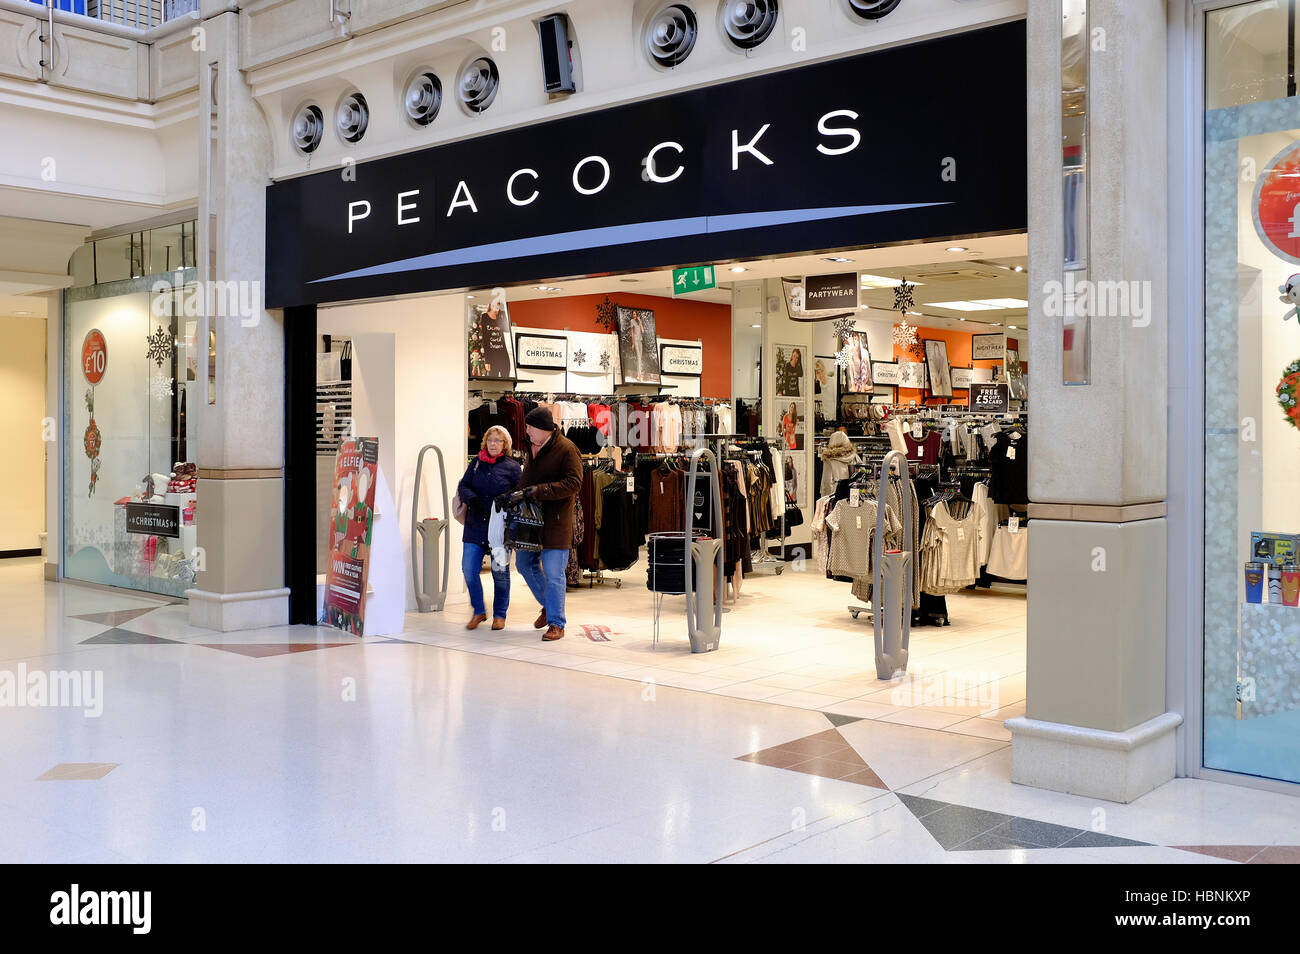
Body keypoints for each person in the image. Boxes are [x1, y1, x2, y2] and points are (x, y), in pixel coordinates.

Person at [515, 407, 583, 641]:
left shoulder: (567, 449)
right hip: (531, 521)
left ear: (543, 429)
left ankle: (556, 623)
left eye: (529, 426)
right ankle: (549, 605)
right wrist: (515, 496)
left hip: (556, 521)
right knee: (523, 564)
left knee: (555, 574)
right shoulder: (531, 448)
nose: (526, 430)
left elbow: (574, 483)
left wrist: (541, 491)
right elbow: (526, 481)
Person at [456, 425, 521, 630]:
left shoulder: (512, 467)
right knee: (468, 568)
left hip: (500, 529)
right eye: (490, 440)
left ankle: (500, 614)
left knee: (500, 572)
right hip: (475, 526)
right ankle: (478, 610)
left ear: (505, 445)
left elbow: (520, 494)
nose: (493, 444)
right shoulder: (476, 463)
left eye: (498, 440)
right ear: (485, 442)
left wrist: (506, 500)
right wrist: (471, 498)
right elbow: (463, 485)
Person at [819, 430, 861, 496]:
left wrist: (825, 498)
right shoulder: (855, 457)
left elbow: (827, 482)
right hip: (853, 494)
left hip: (836, 494)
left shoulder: (829, 459)